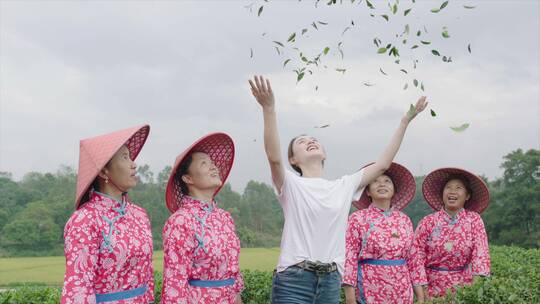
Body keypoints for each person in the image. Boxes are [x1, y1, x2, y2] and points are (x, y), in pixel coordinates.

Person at [248, 75, 427, 303]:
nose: (310, 141)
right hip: (294, 280)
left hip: (330, 280)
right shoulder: (292, 185)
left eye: (313, 139)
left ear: (324, 154)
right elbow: (274, 158)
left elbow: (382, 164)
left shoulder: (344, 186)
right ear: (293, 159)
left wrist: (405, 122)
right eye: (302, 142)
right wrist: (269, 109)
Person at [61, 124, 154, 304]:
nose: (133, 164)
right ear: (104, 171)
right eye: (125, 158)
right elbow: (78, 286)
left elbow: (147, 277)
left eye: (131, 157)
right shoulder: (85, 220)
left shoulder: (139, 215)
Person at [161, 133, 244, 304]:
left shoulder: (224, 217)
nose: (213, 167)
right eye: (204, 163)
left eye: (212, 163)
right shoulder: (180, 221)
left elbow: (234, 274)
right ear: (188, 178)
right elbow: (175, 282)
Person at [343, 162, 422, 303]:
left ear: (394, 190)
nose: (382, 184)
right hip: (369, 288)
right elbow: (350, 258)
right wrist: (350, 297)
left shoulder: (404, 220)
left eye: (387, 181)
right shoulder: (358, 219)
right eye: (375, 181)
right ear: (367, 191)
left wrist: (421, 295)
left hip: (402, 289)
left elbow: (414, 258)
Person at [410, 168, 491, 299]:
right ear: (442, 193)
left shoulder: (474, 220)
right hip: (432, 290)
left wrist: (474, 292)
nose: (452, 191)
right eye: (448, 187)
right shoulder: (428, 221)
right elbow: (416, 257)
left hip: (464, 290)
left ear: (467, 195)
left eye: (458, 188)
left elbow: (480, 254)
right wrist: (422, 294)